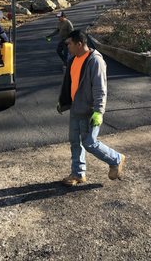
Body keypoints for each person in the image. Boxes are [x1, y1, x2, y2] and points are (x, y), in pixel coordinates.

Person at [57, 29, 126, 186]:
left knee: (90, 143)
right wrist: (63, 100)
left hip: (90, 111)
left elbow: (100, 89)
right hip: (76, 109)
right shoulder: (73, 59)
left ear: (79, 44)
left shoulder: (95, 61)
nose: (67, 46)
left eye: (69, 44)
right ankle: (78, 174)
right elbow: (70, 83)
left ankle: (116, 159)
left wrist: (98, 111)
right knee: (75, 142)